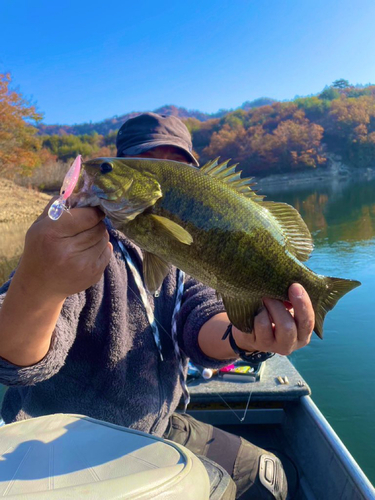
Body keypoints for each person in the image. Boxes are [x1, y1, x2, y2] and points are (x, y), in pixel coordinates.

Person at [0, 113, 314, 499]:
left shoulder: (186, 258)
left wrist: (246, 335)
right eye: (153, 162)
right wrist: (38, 285)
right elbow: (13, 358)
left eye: (178, 169)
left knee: (274, 479)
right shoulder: (74, 250)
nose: (171, 182)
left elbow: (202, 324)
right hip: (63, 454)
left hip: (160, 428)